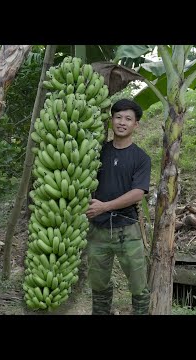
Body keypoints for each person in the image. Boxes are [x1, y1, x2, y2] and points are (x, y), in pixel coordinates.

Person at [85, 99, 151, 315]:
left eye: (128, 119)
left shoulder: (141, 158)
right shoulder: (97, 152)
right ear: (112, 120)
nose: (122, 122)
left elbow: (137, 194)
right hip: (98, 229)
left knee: (138, 283)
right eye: (118, 117)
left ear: (136, 125)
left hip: (127, 229)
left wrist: (104, 206)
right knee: (98, 283)